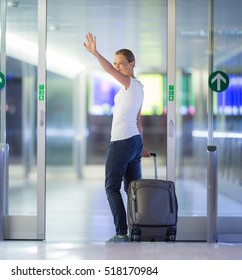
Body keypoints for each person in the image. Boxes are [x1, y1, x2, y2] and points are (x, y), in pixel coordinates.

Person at [83, 32, 150, 242]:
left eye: (121, 63)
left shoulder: (130, 83)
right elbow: (138, 120)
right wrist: (142, 145)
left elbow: (109, 71)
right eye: (115, 63)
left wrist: (95, 53)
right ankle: (136, 230)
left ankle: (121, 232)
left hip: (122, 141)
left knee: (112, 187)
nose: (117, 67)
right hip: (133, 141)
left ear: (132, 64)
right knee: (132, 189)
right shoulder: (138, 88)